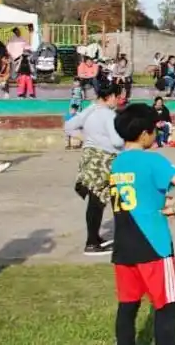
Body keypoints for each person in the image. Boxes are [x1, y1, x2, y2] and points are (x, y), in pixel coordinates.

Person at [109, 104, 175, 345]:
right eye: (154, 130)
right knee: (165, 306)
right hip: (154, 246)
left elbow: (135, 195)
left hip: (124, 246)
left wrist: (163, 201)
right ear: (144, 133)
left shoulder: (116, 164)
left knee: (127, 306)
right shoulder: (153, 160)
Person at [64, 84, 125, 255]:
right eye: (117, 97)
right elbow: (117, 142)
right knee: (110, 199)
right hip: (106, 159)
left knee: (95, 199)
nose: (118, 100)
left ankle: (94, 238)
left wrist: (87, 139)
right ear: (111, 96)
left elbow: (69, 127)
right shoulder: (110, 115)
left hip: (90, 157)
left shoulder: (89, 111)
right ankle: (93, 242)